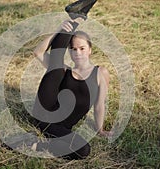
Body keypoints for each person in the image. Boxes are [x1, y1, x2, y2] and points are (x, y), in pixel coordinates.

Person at [29, 0, 112, 160]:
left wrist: (100, 129)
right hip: (45, 113)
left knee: (83, 150)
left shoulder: (100, 73)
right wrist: (58, 29)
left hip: (60, 126)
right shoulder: (64, 70)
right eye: (73, 49)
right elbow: (38, 52)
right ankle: (74, 20)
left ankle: (76, 16)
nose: (77, 53)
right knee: (56, 63)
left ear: (90, 50)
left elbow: (99, 105)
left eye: (82, 48)